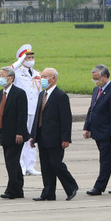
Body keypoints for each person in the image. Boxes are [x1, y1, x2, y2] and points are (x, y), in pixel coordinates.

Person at [29, 68, 78, 201]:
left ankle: (71, 186)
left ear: (53, 79)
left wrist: (65, 138)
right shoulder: (41, 95)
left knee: (56, 163)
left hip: (56, 138)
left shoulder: (60, 96)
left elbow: (66, 119)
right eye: (41, 76)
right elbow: (37, 117)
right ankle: (48, 193)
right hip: (42, 136)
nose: (42, 79)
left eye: (45, 77)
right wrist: (33, 135)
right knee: (45, 166)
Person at [82, 65, 111, 195]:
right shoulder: (96, 90)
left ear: (105, 77)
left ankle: (99, 187)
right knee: (110, 159)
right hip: (97, 131)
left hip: (107, 132)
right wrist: (87, 127)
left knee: (105, 160)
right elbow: (91, 109)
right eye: (93, 79)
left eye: (97, 78)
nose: (95, 81)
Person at [0, 66, 28, 199]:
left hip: (16, 135)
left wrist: (20, 133)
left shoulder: (19, 93)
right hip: (4, 134)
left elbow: (22, 115)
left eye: (3, 75)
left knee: (11, 162)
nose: (0, 78)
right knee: (12, 163)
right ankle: (18, 189)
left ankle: (12, 190)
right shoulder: (0, 94)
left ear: (11, 78)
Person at [11, 45, 41, 177]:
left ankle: (30, 166)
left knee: (32, 139)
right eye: (28, 57)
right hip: (22, 110)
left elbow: (39, 92)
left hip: (34, 110)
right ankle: (21, 165)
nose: (31, 59)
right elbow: (8, 71)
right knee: (22, 138)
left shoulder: (37, 74)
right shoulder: (17, 73)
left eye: (32, 57)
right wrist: (18, 62)